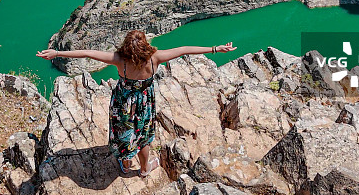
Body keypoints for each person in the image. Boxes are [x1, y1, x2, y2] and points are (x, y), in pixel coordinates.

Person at [37, 30, 236, 177]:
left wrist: (57, 53)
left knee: (125, 135)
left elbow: (88, 53)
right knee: (143, 137)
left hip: (123, 103)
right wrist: (215, 49)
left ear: (126, 46)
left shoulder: (118, 59)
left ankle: (125, 165)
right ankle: (144, 168)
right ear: (145, 45)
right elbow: (185, 50)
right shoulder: (155, 58)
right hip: (144, 104)